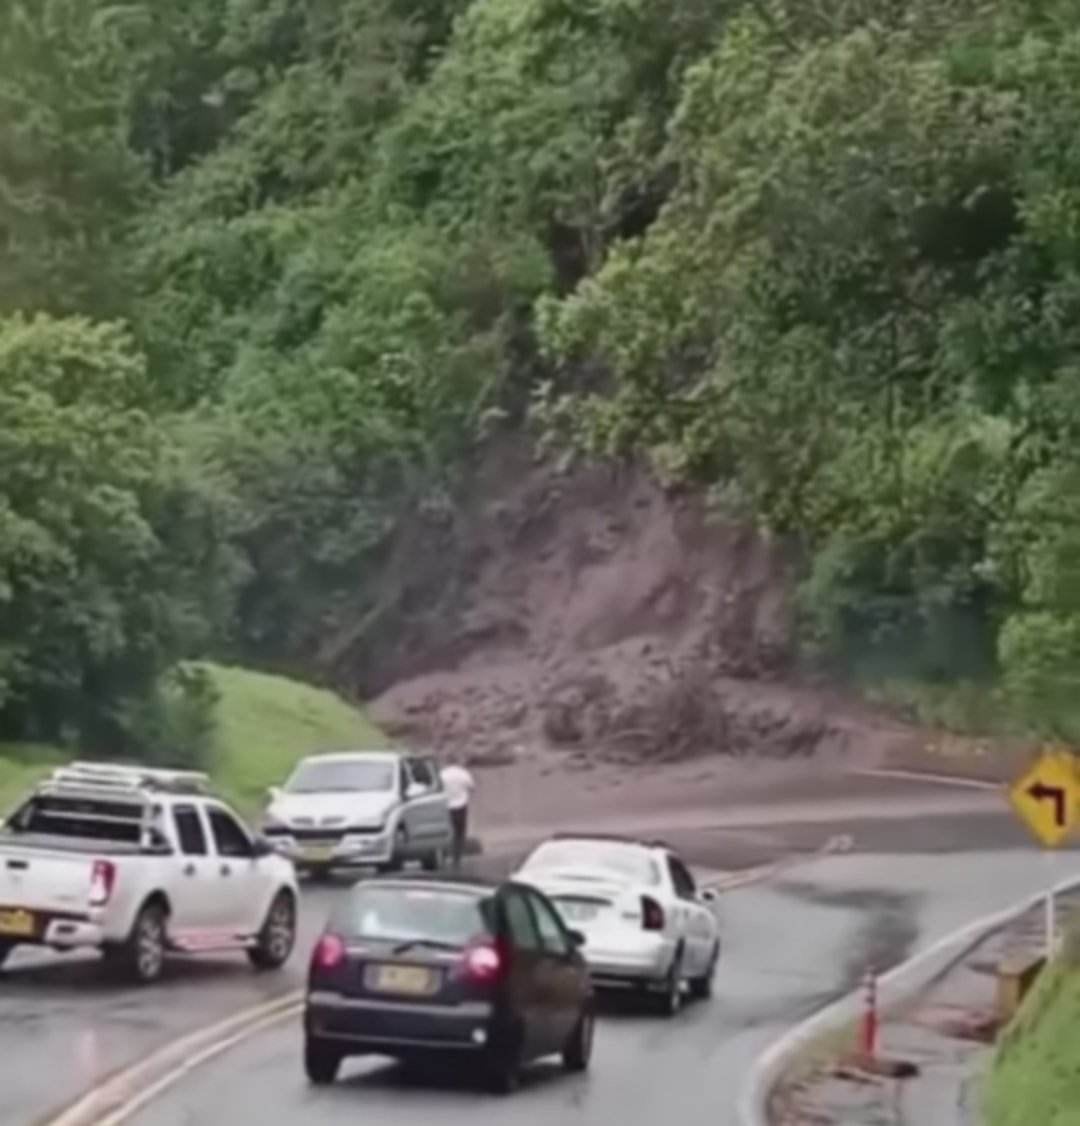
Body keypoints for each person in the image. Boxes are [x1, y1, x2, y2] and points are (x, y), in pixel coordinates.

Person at [439, 753, 475, 868]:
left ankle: (444, 855)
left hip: (446, 806)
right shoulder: (463, 773)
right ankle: (457, 858)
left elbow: (437, 789)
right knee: (460, 833)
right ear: (456, 761)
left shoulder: (442, 775)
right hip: (461, 805)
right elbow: (472, 787)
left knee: (448, 832)